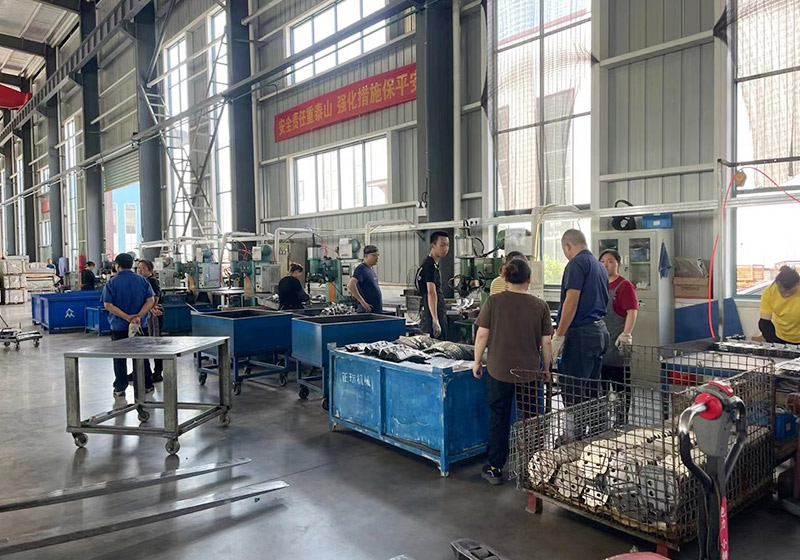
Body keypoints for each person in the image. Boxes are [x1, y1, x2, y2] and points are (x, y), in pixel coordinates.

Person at [473, 258, 553, 485]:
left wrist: (477, 362)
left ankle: (495, 468)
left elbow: (482, 334)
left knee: (499, 419)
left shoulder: (494, 301)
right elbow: (546, 343)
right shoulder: (540, 306)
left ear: (505, 278)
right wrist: (546, 368)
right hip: (529, 373)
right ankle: (532, 468)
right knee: (530, 420)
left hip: (498, 370)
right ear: (529, 279)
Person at [552, 229, 610, 410]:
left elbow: (571, 302)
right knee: (593, 391)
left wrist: (559, 335)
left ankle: (574, 428)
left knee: (573, 390)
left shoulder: (576, 264)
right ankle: (597, 427)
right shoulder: (599, 266)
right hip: (599, 331)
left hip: (581, 335)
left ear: (567, 246)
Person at [102, 253, 156, 409]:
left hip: (119, 326)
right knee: (142, 356)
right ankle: (147, 384)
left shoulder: (112, 283)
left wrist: (126, 317)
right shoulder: (142, 281)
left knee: (119, 357)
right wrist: (139, 315)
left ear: (117, 265)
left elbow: (108, 305)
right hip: (140, 325)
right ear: (132, 264)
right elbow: (151, 300)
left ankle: (120, 387)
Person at [599, 249, 639, 422]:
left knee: (620, 384)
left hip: (617, 342)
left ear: (618, 264)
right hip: (601, 343)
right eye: (602, 261)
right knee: (601, 387)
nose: (606, 265)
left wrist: (626, 334)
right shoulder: (598, 284)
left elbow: (632, 311)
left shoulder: (625, 285)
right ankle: (602, 421)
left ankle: (621, 419)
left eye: (610, 261)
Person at [415, 231, 450, 340]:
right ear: (432, 246)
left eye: (447, 245)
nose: (445, 248)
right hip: (432, 311)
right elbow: (431, 292)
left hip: (432, 309)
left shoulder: (432, 264)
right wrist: (435, 319)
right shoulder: (429, 266)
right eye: (442, 245)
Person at [137, 260, 164, 383]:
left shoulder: (152, 281)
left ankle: (157, 372)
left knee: (155, 342)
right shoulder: (141, 281)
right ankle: (141, 371)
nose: (140, 270)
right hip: (146, 314)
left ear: (150, 270)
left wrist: (152, 308)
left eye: (143, 268)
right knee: (144, 343)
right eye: (138, 268)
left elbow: (155, 297)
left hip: (154, 314)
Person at [759, 266, 800, 344]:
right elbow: (764, 322)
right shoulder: (769, 292)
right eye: (783, 291)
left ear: (798, 284)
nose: (786, 294)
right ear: (777, 284)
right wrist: (773, 343)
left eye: (790, 291)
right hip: (779, 336)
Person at [348, 245, 382, 313]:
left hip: (375, 309)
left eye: (377, 255)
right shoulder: (361, 269)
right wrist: (363, 303)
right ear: (365, 256)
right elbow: (350, 285)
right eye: (373, 255)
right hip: (367, 310)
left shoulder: (371, 269)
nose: (377, 257)